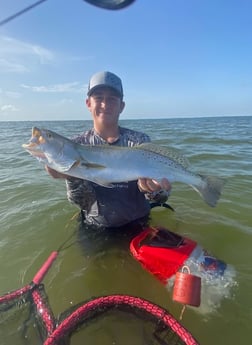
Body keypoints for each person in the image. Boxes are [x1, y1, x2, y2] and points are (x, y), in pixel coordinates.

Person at [46, 71, 171, 250]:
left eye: (113, 98)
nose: (105, 104)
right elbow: (81, 202)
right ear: (88, 104)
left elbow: (162, 196)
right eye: (98, 97)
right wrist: (71, 176)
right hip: (95, 228)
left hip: (139, 225)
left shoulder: (139, 141)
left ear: (122, 106)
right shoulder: (75, 145)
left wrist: (154, 191)